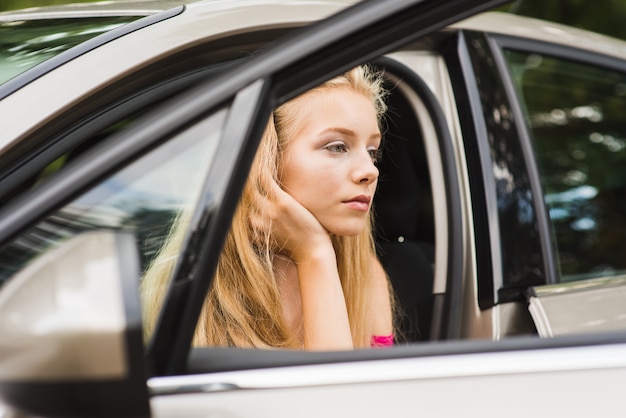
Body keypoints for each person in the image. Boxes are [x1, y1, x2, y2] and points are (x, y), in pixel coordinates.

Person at [142, 65, 396, 350]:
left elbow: (346, 395)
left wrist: (315, 253)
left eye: (372, 151)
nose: (370, 171)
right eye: (337, 147)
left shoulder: (365, 274)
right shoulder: (195, 285)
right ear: (268, 161)